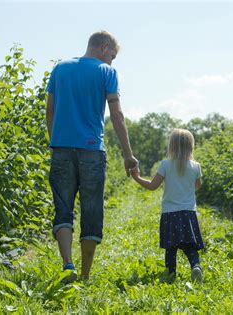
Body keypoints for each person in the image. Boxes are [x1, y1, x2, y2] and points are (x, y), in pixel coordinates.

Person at [46, 30, 138, 283]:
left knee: (62, 209)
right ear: (103, 47)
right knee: (92, 211)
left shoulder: (60, 69)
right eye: (113, 55)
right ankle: (85, 275)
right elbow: (116, 115)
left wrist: (56, 141)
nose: (112, 61)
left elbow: (50, 112)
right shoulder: (106, 73)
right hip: (92, 151)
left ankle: (68, 265)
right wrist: (128, 154)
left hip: (61, 149)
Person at [130, 129, 204, 282]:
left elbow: (152, 186)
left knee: (171, 247)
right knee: (190, 246)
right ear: (191, 146)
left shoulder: (165, 165)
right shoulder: (196, 166)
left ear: (172, 146)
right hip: (189, 213)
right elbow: (197, 186)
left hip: (170, 213)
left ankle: (171, 275)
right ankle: (196, 266)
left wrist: (136, 177)